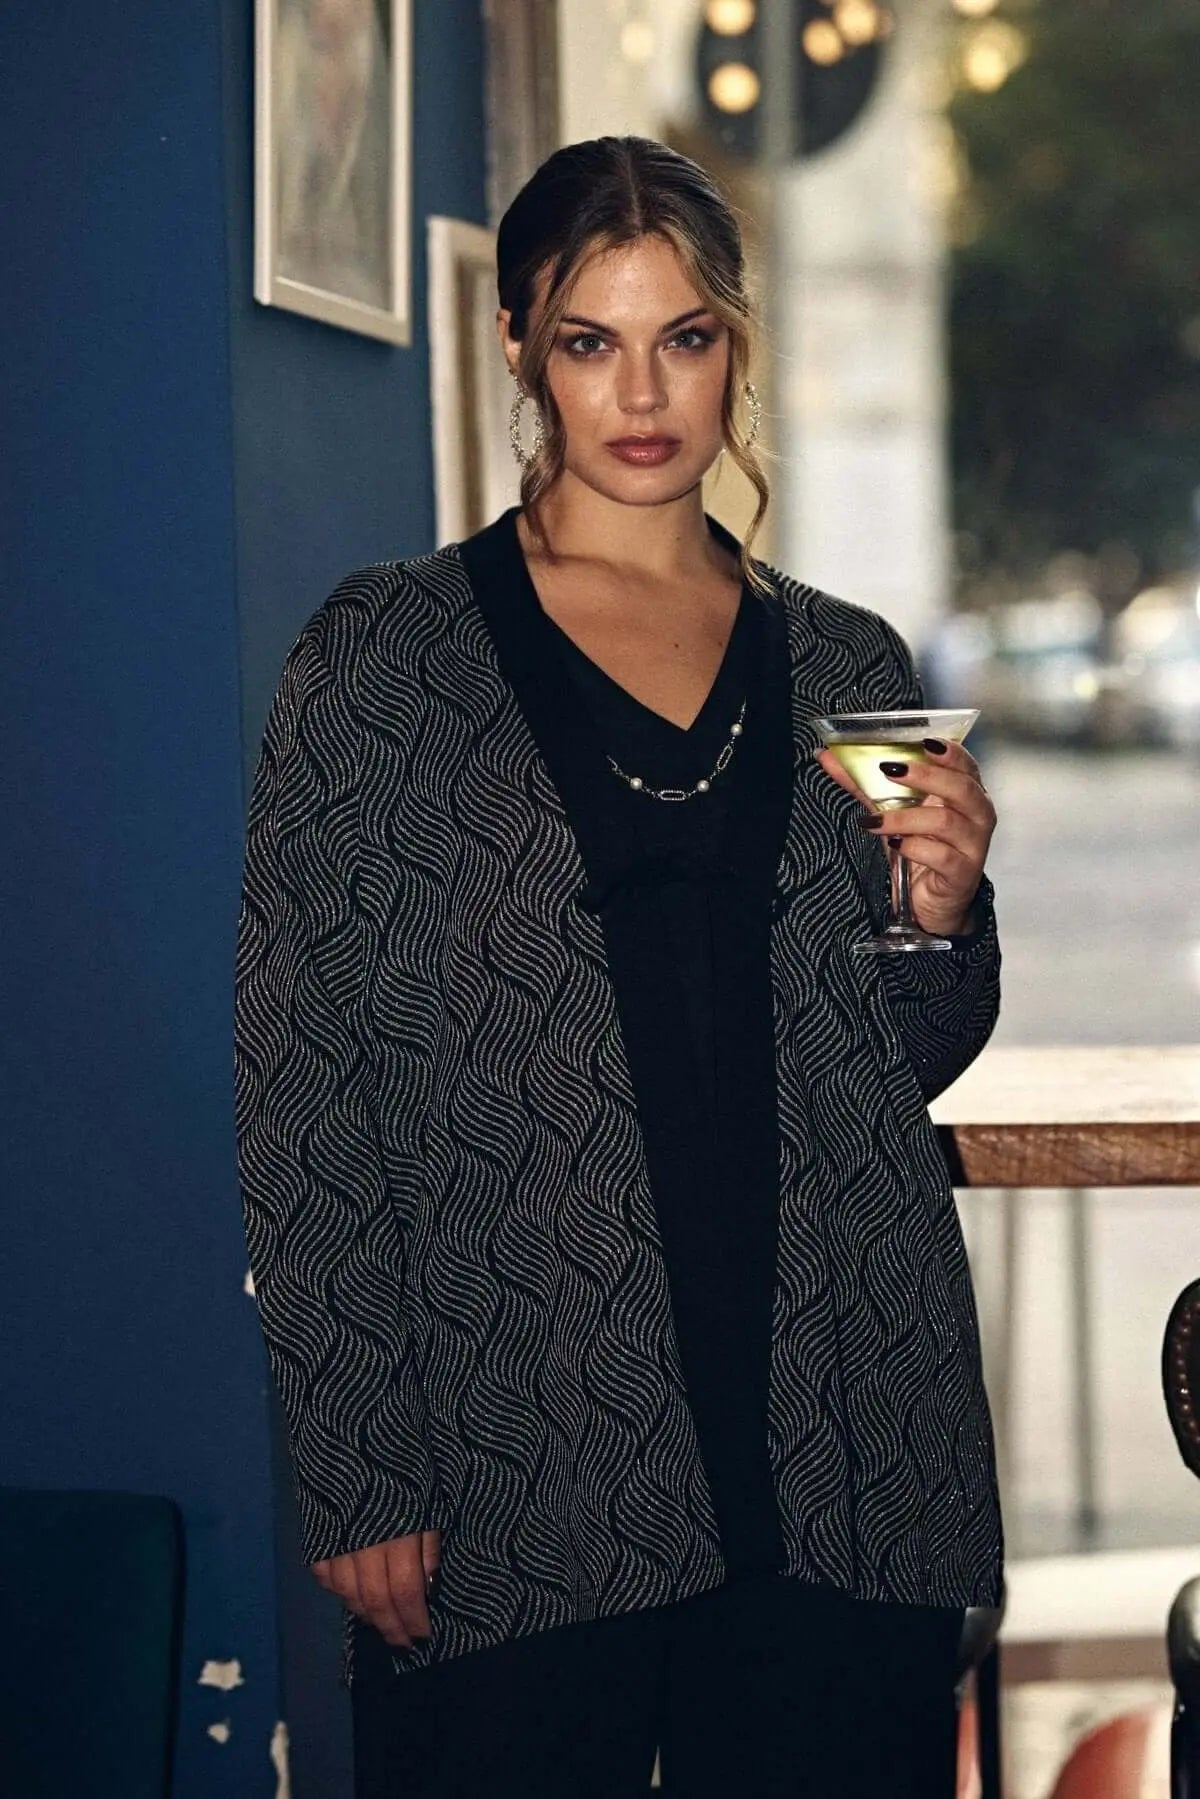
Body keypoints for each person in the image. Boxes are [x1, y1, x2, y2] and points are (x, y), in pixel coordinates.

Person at [235, 136, 1003, 1799]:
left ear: (736, 346)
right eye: (591, 340)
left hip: (842, 1432)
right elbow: (302, 1086)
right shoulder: (383, 656)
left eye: (685, 338)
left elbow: (908, 1057)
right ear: (520, 342)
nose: (643, 394)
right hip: (523, 1435)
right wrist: (363, 1459)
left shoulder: (848, 658)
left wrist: (940, 916)